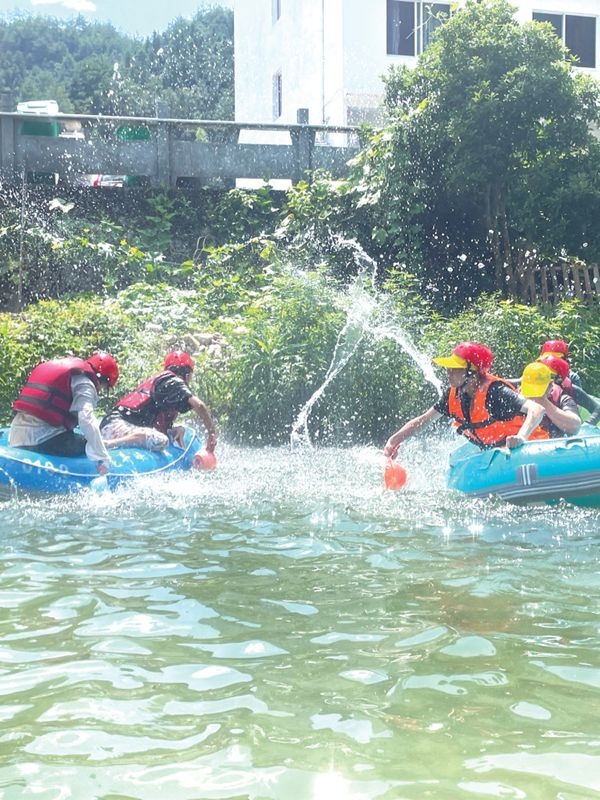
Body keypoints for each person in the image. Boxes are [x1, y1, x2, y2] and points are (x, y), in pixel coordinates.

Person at [384, 341, 547, 458]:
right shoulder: (453, 395)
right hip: (497, 451)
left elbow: (537, 409)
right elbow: (423, 420)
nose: (448, 371)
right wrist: (394, 440)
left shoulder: (495, 392)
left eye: (455, 368)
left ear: (472, 372)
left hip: (530, 448)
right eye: (449, 367)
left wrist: (521, 437)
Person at [9, 352, 120, 475]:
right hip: (41, 441)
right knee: (90, 444)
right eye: (105, 387)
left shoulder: (64, 371)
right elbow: (86, 419)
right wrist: (102, 458)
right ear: (103, 380)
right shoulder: (86, 384)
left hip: (15, 437)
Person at [100, 350, 217, 452]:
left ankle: (108, 443)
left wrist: (175, 430)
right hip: (113, 428)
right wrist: (212, 433)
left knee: (163, 435)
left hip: (112, 426)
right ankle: (107, 445)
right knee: (161, 440)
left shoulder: (165, 384)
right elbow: (199, 405)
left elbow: (157, 424)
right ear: (186, 375)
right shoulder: (174, 381)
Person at [537, 353, 600, 427]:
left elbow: (597, 408)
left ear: (559, 378)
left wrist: (588, 424)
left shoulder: (571, 390)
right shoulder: (532, 388)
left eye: (549, 376)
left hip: (568, 428)